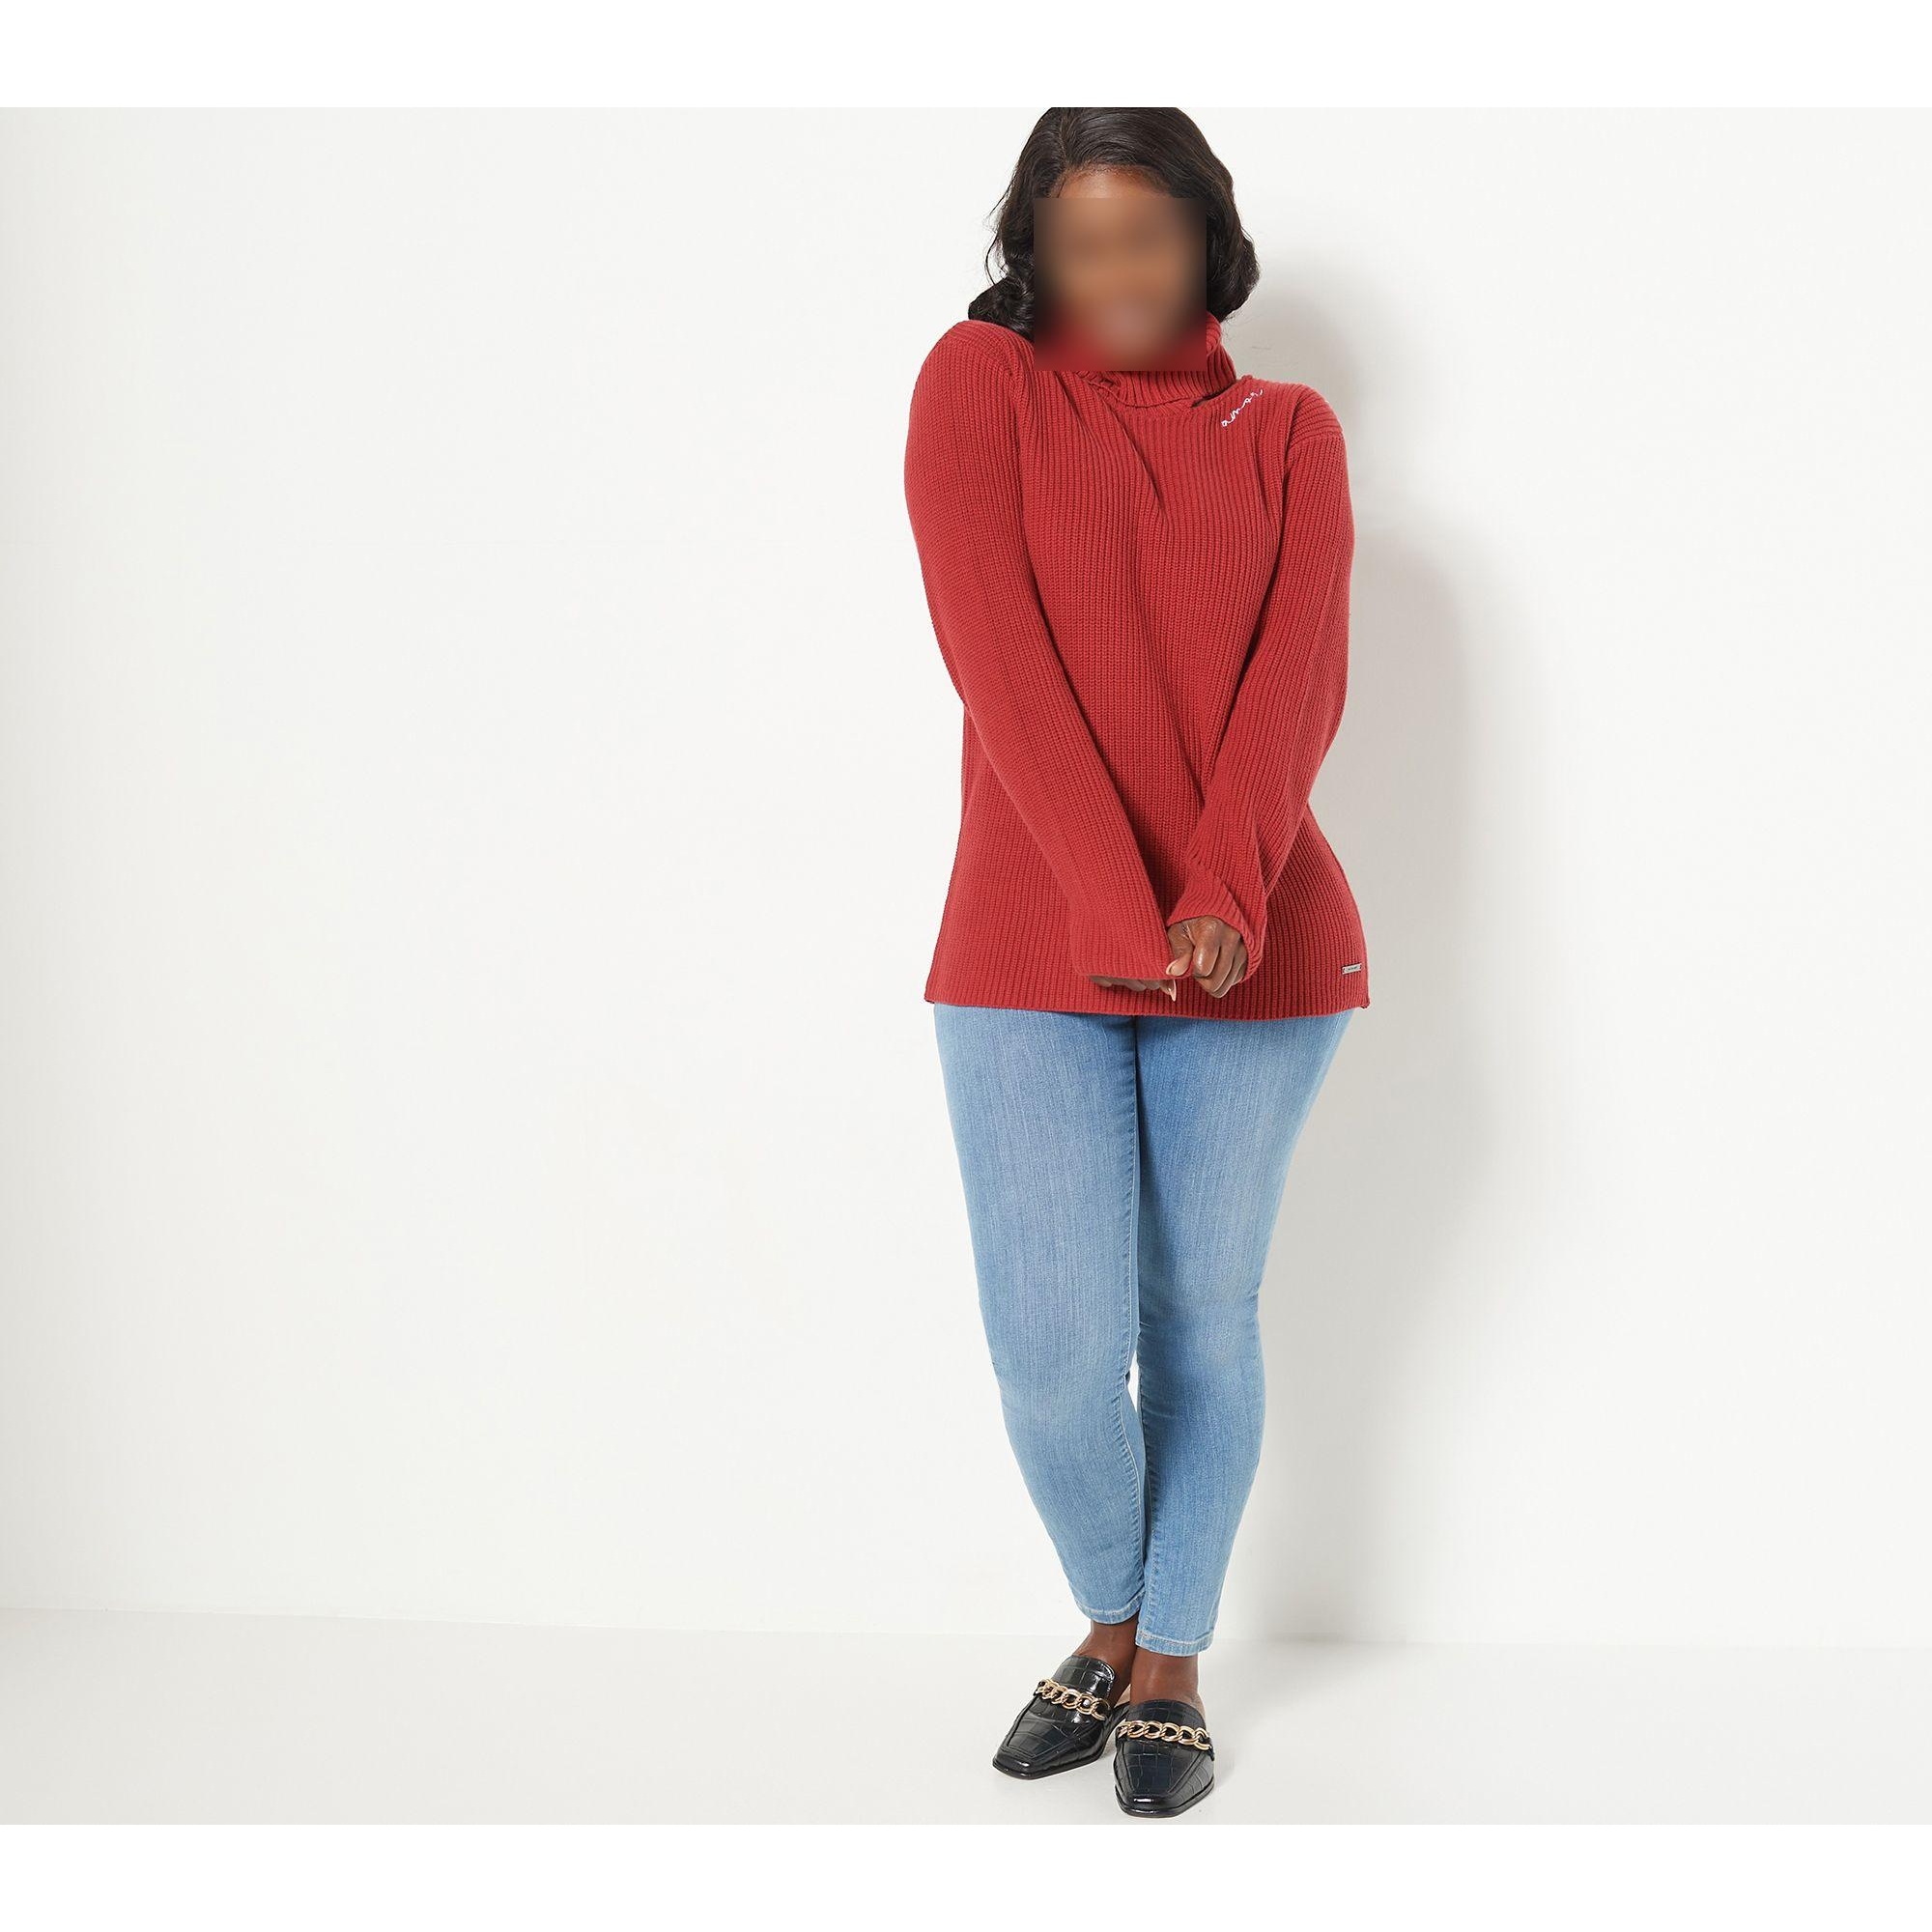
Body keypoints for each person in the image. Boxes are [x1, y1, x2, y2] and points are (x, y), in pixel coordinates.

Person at [902, 107, 1369, 1819]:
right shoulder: (981, 386)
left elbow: (1298, 675)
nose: (1118, 274)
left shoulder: (1289, 429)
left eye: (1149, 238)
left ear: (1206, 243)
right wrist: (1120, 906)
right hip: (1027, 937)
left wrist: (1226, 885)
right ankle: (1108, 1613)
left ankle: (1167, 1656)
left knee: (1199, 1319)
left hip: (1257, 947)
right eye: (1082, 242)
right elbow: (999, 661)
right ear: (1034, 251)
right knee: (1050, 1351)